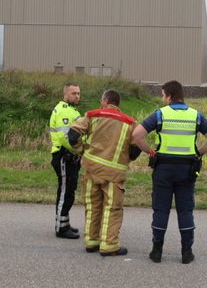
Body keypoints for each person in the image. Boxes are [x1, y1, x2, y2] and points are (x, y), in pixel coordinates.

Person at [132, 80, 207, 264]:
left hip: (163, 168)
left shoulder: (159, 115)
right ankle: (186, 252)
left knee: (161, 209)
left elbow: (137, 135)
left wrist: (150, 152)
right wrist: (199, 153)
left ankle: (157, 251)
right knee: (185, 210)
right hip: (187, 169)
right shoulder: (196, 116)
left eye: (163, 95)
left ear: (169, 96)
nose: (162, 99)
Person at [66, 89, 141, 256]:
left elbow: (72, 135)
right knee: (112, 208)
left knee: (93, 206)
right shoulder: (130, 123)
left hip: (92, 169)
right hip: (115, 173)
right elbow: (136, 150)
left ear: (105, 101)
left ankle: (91, 241)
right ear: (117, 103)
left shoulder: (92, 116)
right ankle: (109, 244)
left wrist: (82, 152)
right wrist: (125, 159)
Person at [48, 82, 82, 238]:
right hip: (64, 156)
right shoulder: (65, 111)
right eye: (74, 93)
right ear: (66, 94)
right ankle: (61, 228)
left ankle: (64, 223)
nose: (77, 96)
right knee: (65, 192)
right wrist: (81, 150)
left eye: (78, 93)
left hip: (68, 156)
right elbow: (65, 138)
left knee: (68, 190)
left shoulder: (70, 110)